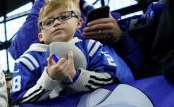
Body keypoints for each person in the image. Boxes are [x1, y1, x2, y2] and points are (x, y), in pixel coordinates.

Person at [9, 0, 163, 79]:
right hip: (61, 100)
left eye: (64, 17)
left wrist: (119, 37)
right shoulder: (42, 16)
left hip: (113, 94)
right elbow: (22, 49)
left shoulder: (108, 18)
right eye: (50, 21)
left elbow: (138, 64)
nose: (56, 22)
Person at [9, 0, 119, 104]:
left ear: (79, 23)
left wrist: (76, 76)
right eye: (48, 22)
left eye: (64, 17)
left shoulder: (93, 47)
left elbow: (109, 77)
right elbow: (20, 98)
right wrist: (49, 79)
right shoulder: (28, 61)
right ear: (40, 36)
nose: (56, 22)